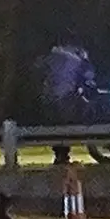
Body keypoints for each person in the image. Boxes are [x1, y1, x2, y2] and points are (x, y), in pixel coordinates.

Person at [39, 35, 96, 165]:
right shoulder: (75, 59)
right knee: (65, 125)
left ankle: (58, 154)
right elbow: (88, 74)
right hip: (66, 95)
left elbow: (41, 70)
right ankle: (63, 155)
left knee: (54, 126)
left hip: (49, 95)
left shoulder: (51, 57)